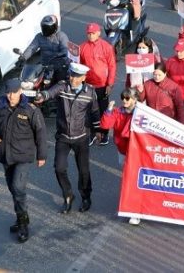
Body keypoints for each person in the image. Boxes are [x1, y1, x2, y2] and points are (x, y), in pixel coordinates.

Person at [36, 62, 101, 214]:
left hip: (81, 137)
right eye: (71, 74)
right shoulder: (63, 87)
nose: (72, 78)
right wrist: (42, 96)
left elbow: (95, 112)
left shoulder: (90, 92)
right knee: (59, 168)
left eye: (76, 76)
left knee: (83, 170)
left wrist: (98, 130)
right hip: (63, 136)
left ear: (83, 78)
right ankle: (68, 195)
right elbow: (50, 93)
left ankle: (86, 197)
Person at [0, 78, 47, 243]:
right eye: (8, 92)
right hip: (6, 156)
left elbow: (41, 133)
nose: (10, 96)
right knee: (13, 190)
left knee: (18, 188)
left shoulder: (30, 109)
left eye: (13, 92)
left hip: (23, 156)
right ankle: (21, 217)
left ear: (20, 91)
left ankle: (23, 224)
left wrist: (42, 155)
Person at [100, 88, 139, 224]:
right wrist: (109, 110)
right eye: (123, 98)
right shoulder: (117, 111)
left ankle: (135, 211)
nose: (124, 101)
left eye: (127, 98)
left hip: (136, 152)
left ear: (135, 99)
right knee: (127, 179)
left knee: (134, 180)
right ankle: (127, 207)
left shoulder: (140, 113)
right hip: (122, 150)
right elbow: (105, 125)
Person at [79, 22, 116, 146]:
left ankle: (105, 134)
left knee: (104, 111)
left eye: (93, 33)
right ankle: (93, 134)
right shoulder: (82, 47)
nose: (90, 35)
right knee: (89, 111)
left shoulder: (106, 47)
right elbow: (78, 65)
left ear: (99, 33)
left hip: (103, 86)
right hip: (88, 86)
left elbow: (112, 66)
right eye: (88, 33)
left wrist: (110, 84)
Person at [19, 14, 70, 83]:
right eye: (44, 28)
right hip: (44, 66)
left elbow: (65, 51)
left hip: (58, 67)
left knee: (60, 83)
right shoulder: (39, 37)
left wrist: (57, 61)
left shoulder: (61, 36)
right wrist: (23, 57)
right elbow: (32, 48)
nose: (45, 30)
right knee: (30, 81)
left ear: (54, 27)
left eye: (47, 28)